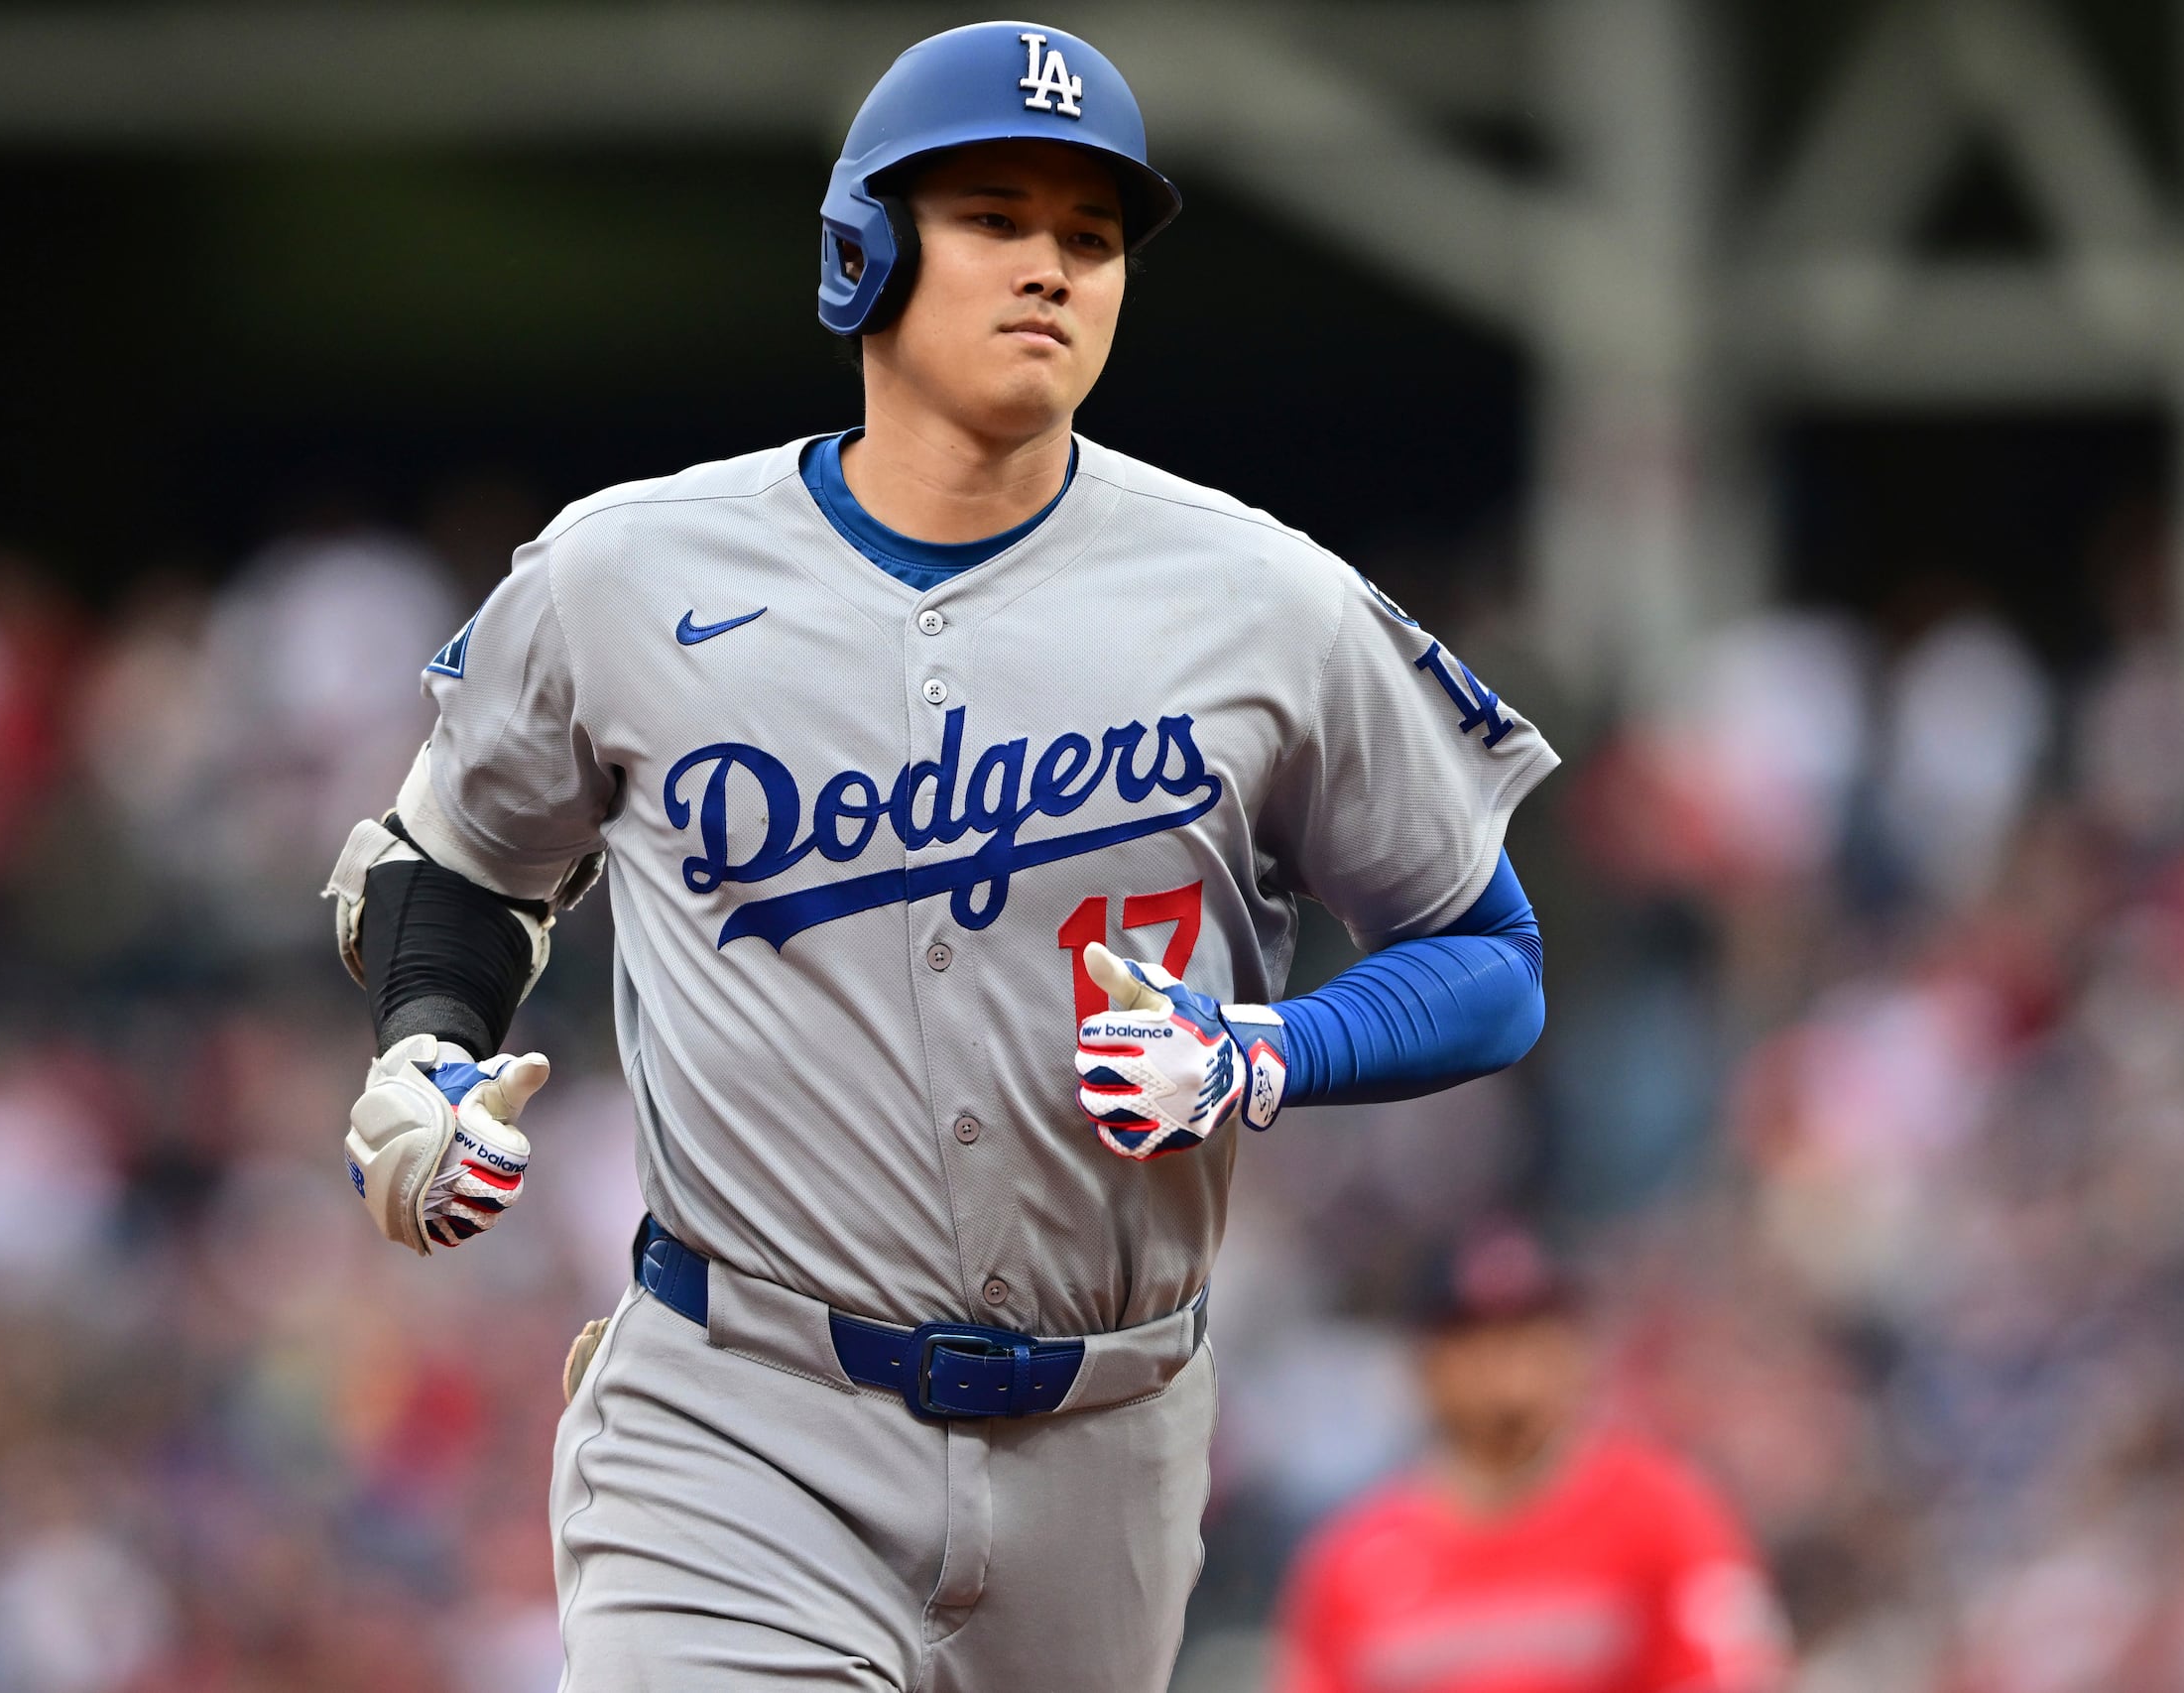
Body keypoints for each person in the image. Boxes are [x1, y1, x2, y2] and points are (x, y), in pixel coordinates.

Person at [319, 21, 1558, 1691]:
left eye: (1092, 236)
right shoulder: (627, 571)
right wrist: (426, 1046)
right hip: (740, 1415)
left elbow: (1493, 958)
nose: (1052, 266)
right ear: (865, 252)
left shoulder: (1268, 601)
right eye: (994, 217)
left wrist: (1265, 1047)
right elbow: (457, 862)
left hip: (1109, 1441)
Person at [1274, 1226, 1789, 1693]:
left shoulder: (1664, 1517)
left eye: (1527, 1336)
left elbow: (1735, 1677)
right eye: (1477, 1340)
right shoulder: (1352, 1563)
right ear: (1425, 1362)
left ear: (1575, 1351)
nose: (1509, 1372)